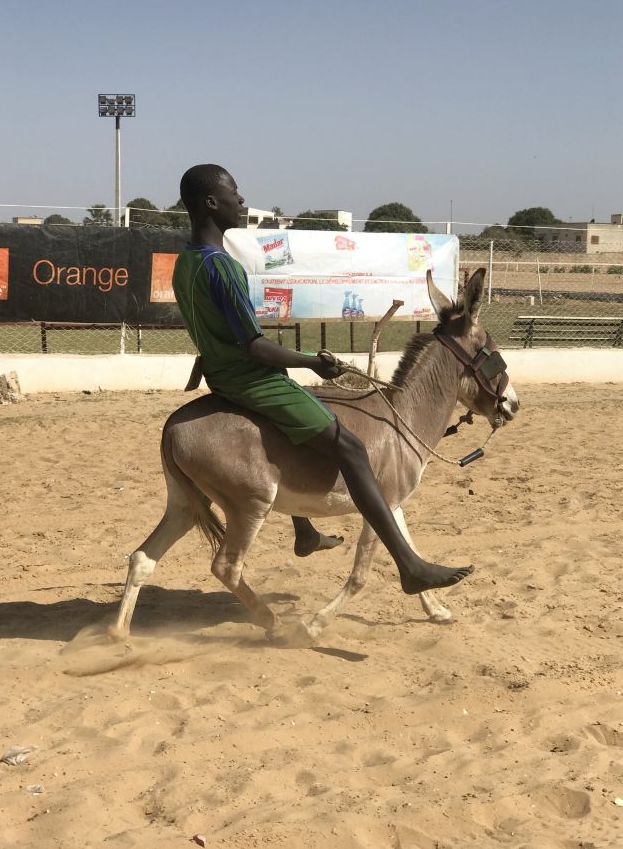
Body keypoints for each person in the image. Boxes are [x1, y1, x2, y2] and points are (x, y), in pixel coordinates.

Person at [172, 164, 473, 594]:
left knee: (298, 431)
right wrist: (314, 362)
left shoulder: (186, 262)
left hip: (222, 376)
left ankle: (305, 530)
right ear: (210, 203)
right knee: (350, 447)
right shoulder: (223, 267)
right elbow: (254, 346)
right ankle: (410, 566)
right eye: (234, 193)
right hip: (252, 379)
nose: (241, 201)